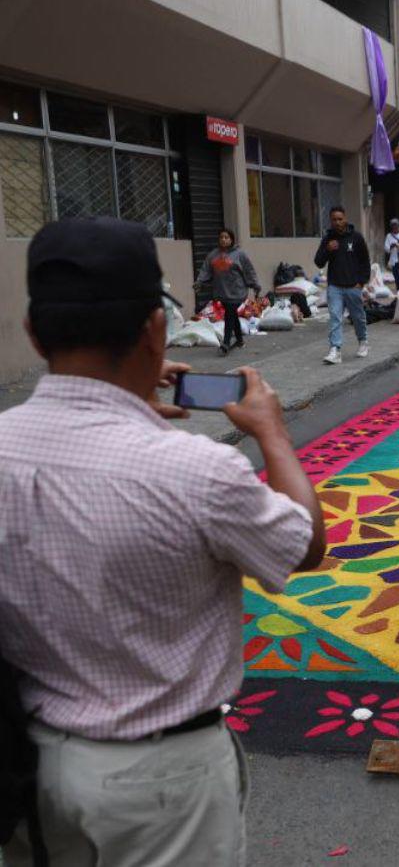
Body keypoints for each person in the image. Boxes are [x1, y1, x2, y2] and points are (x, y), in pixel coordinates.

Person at [0, 217, 326, 866]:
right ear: (157, 328)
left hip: (21, 765)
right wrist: (273, 435)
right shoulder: (192, 470)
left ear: (36, 334)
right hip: (159, 782)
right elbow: (304, 543)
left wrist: (125, 410)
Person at [315, 206, 370, 365]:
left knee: (357, 317)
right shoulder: (328, 239)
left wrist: (361, 282)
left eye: (340, 219)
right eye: (334, 219)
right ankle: (335, 350)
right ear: (330, 221)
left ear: (345, 219)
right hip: (335, 287)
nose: (337, 222)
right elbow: (318, 262)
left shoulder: (356, 237)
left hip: (353, 286)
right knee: (335, 318)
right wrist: (327, 249)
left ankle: (363, 342)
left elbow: (365, 261)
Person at [195, 228, 260, 356]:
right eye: (221, 237)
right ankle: (240, 341)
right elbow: (205, 270)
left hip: (237, 291)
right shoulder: (213, 255)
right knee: (232, 314)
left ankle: (226, 342)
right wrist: (199, 282)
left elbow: (249, 270)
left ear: (231, 240)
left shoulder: (239, 254)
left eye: (226, 237)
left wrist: (255, 284)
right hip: (222, 291)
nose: (224, 240)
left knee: (230, 312)